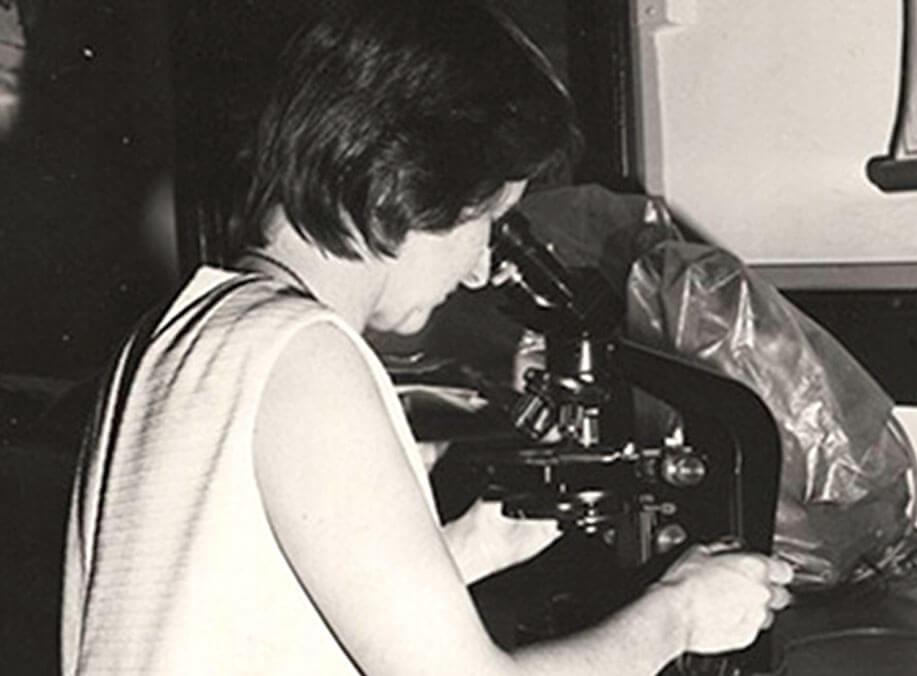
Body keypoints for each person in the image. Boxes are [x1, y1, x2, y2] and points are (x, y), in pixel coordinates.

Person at [61, 1, 792, 673]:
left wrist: (470, 547)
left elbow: (251, 607)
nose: (479, 270)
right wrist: (680, 614)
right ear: (403, 184)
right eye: (484, 221)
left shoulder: (179, 335)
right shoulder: (306, 353)